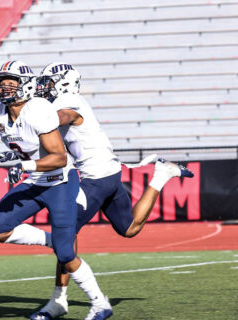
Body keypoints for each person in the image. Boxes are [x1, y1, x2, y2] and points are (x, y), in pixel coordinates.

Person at [0, 60, 110, 320]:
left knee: (66, 253)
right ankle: (54, 240)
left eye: (11, 82)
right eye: (2, 82)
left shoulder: (38, 109)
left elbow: (59, 157)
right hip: (35, 180)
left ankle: (100, 304)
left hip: (59, 181)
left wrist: (24, 165)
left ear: (26, 85)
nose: (4, 88)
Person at [27, 62, 195, 320]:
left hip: (96, 177)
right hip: (108, 172)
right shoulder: (63, 101)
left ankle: (61, 300)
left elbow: (63, 118)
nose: (43, 87)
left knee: (64, 232)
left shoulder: (69, 100)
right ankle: (161, 175)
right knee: (129, 229)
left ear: (63, 82)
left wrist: (29, 120)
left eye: (49, 82)